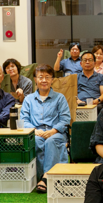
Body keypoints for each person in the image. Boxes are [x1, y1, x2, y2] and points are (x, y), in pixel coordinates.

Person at [21, 64, 71, 193]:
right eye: (41, 77)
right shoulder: (29, 99)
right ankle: (43, 176)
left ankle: (46, 177)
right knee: (37, 141)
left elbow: (65, 119)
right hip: (36, 132)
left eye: (47, 77)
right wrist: (35, 130)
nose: (44, 80)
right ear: (35, 79)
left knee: (51, 141)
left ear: (52, 79)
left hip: (56, 132)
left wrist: (53, 131)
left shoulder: (60, 98)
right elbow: (24, 120)